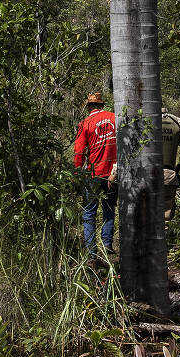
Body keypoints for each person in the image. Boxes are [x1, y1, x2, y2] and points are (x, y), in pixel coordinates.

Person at [71, 92, 117, 254]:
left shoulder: (85, 123)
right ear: (102, 105)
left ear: (89, 107)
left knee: (89, 213)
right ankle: (107, 245)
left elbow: (79, 152)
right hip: (113, 174)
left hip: (93, 174)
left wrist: (76, 175)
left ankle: (92, 251)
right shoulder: (114, 118)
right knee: (109, 209)